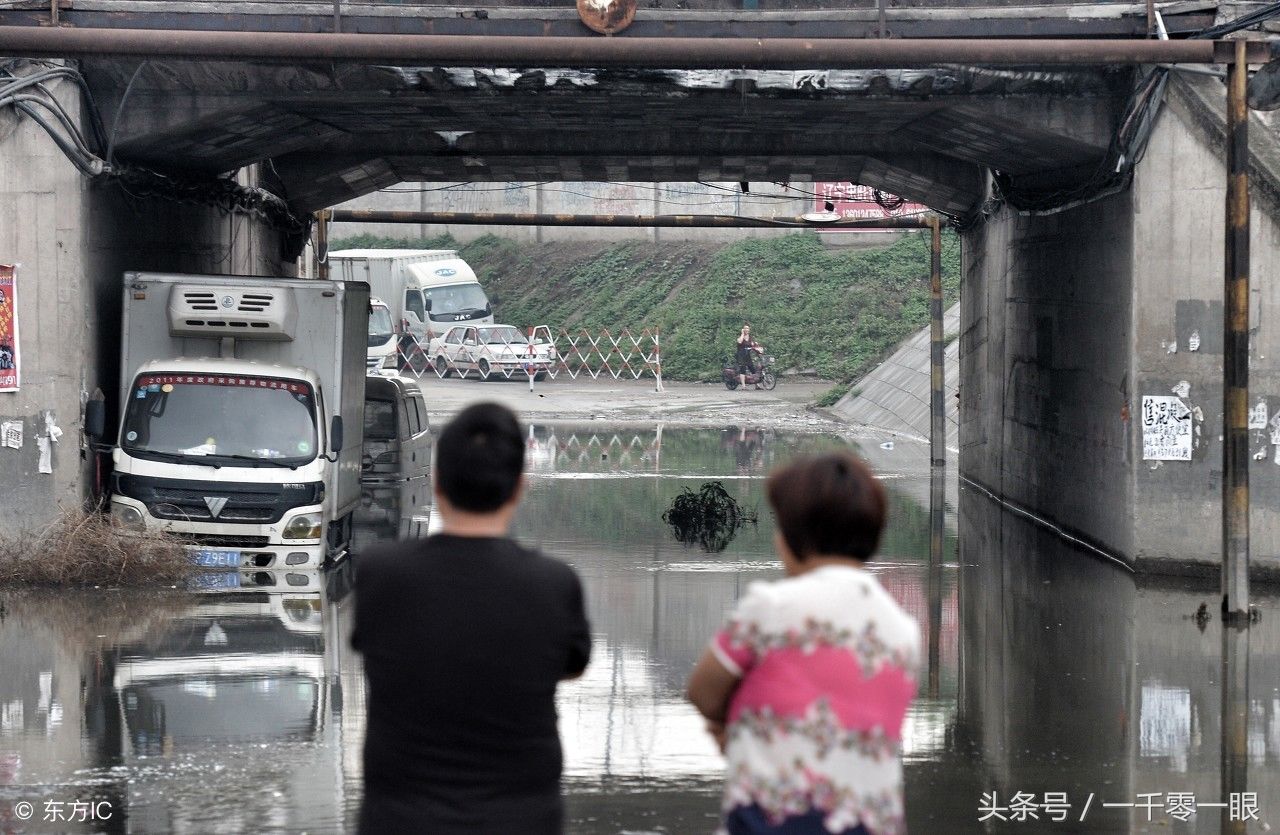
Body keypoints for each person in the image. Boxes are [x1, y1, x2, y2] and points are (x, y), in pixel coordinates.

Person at [352, 402, 592, 835]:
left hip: (401, 820)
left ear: (437, 482)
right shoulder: (555, 585)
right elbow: (569, 667)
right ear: (519, 486)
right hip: (521, 822)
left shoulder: (380, 574)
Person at [686, 453, 920, 835]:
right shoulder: (903, 630)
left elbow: (703, 691)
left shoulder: (771, 607)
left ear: (794, 538)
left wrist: (738, 727)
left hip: (773, 823)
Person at [736, 324, 756, 390]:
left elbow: (753, 344)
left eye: (748, 328)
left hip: (748, 355)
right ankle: (743, 386)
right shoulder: (741, 336)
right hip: (741, 356)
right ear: (743, 329)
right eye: (745, 328)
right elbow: (739, 341)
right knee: (743, 370)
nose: (746, 329)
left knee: (753, 369)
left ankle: (757, 385)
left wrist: (756, 346)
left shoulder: (750, 337)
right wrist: (742, 334)